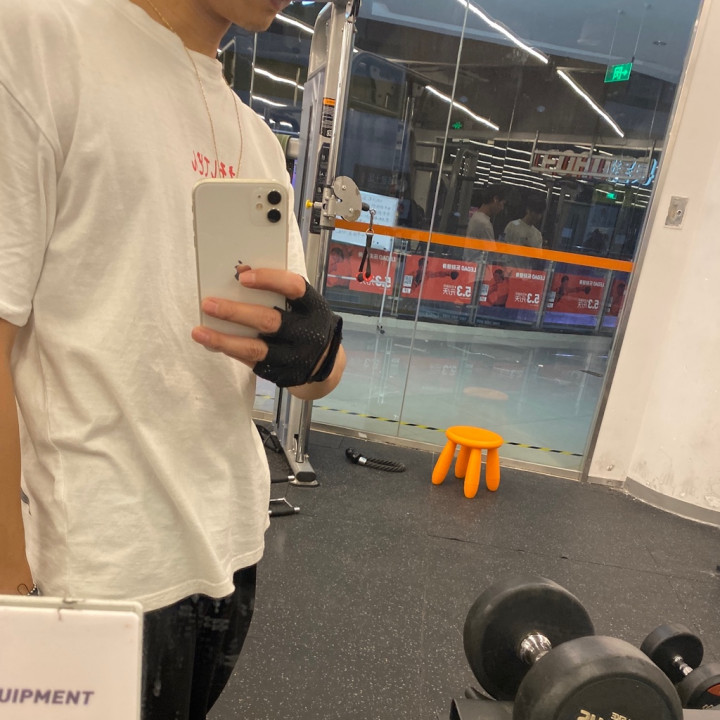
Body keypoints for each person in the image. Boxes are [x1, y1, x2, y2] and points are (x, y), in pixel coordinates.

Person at [0, 1, 346, 719]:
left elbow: (312, 374)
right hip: (87, 575)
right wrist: (11, 591)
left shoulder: (257, 140)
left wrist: (319, 352)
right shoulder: (38, 41)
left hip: (227, 552)